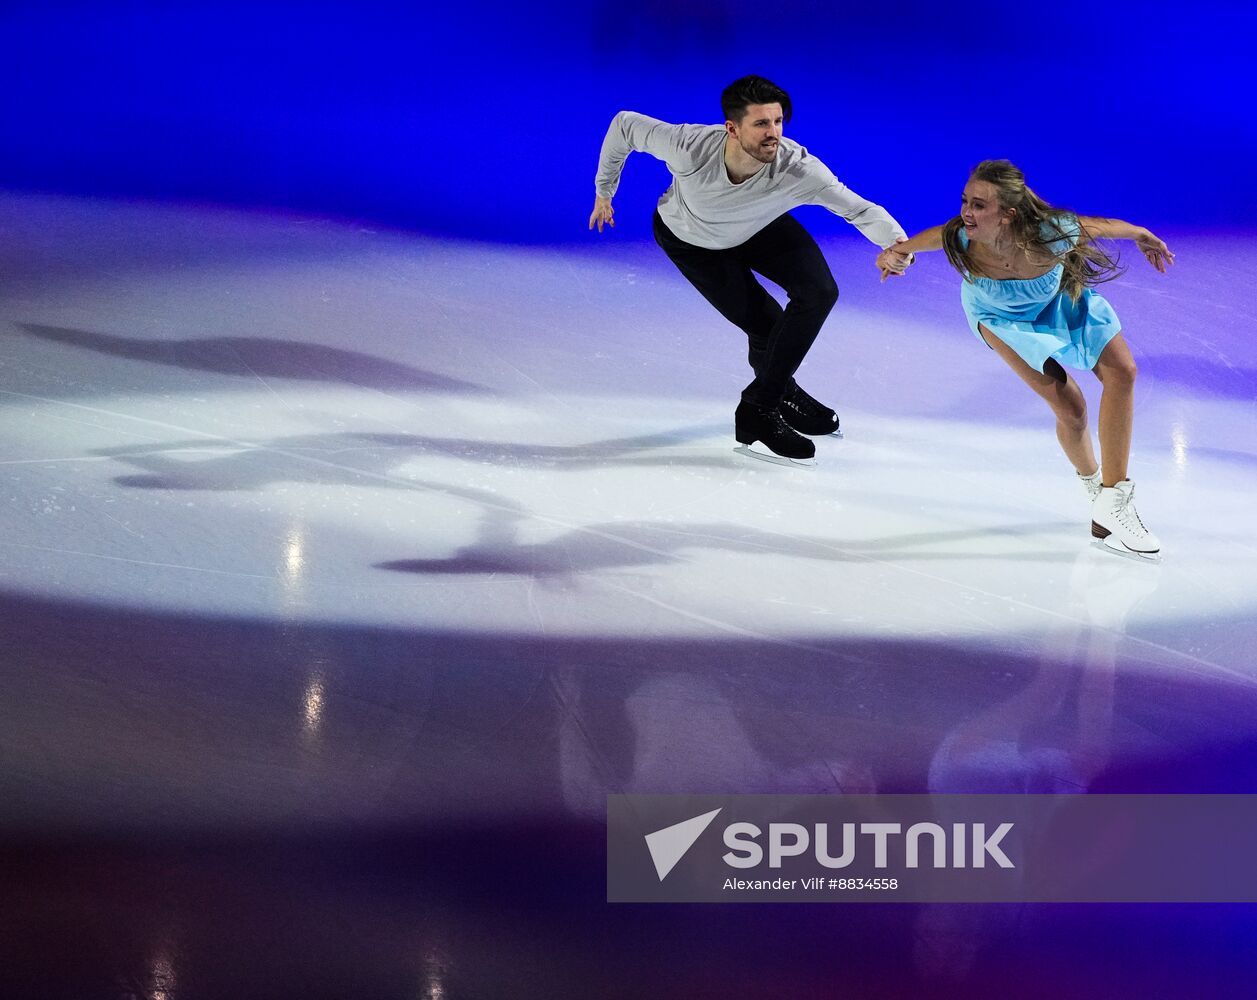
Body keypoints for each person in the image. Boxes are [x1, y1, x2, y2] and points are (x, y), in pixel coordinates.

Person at [590, 75, 912, 465]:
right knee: (766, 323)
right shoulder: (690, 147)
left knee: (819, 292)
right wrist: (605, 192)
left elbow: (856, 207)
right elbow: (625, 125)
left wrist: (898, 247)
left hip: (757, 225)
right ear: (732, 128)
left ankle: (765, 400)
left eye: (778, 122)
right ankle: (767, 406)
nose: (773, 134)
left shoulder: (796, 167)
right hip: (693, 239)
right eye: (761, 124)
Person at [877, 159, 1173, 558]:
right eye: (965, 201)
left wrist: (1141, 234)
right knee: (1072, 410)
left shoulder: (1051, 233)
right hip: (1000, 319)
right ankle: (1093, 488)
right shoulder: (960, 237)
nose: (967, 211)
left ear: (1008, 215)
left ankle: (1114, 500)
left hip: (1057, 301)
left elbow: (1100, 226)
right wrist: (896, 253)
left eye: (980, 205)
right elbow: (925, 240)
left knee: (1123, 371)